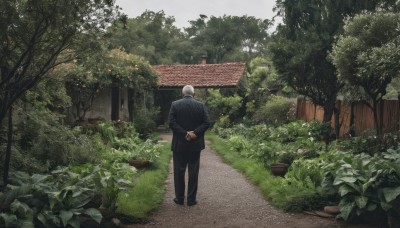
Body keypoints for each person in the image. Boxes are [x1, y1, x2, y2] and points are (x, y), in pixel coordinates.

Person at [168, 85, 210, 206]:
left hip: (179, 144)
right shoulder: (200, 106)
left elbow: (171, 122)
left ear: (182, 94)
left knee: (178, 172)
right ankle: (191, 200)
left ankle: (179, 198)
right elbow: (207, 122)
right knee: (193, 171)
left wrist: (184, 133)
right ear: (194, 93)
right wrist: (194, 133)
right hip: (195, 145)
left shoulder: (175, 105)